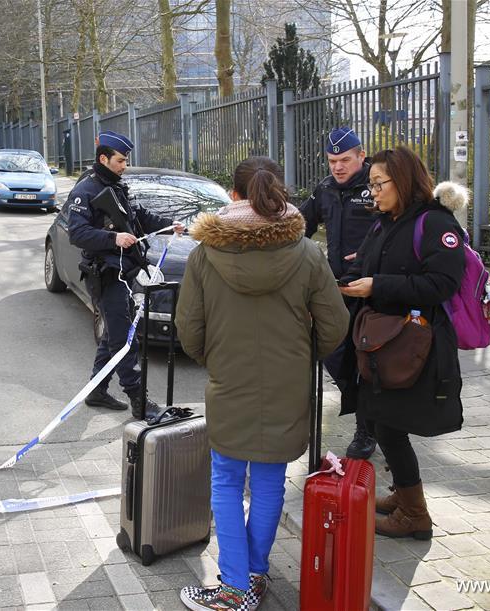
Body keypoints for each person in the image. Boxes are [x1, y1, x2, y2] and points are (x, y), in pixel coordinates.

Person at [176, 157, 349, 610]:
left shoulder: (204, 255)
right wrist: (300, 356)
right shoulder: (308, 254)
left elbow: (188, 329)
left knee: (227, 481)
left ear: (233, 195)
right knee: (270, 481)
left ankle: (234, 587)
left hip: (228, 382)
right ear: (278, 195)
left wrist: (216, 359)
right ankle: (252, 576)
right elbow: (335, 326)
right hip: (287, 385)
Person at [339, 146, 467, 539]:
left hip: (415, 346)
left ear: (404, 180)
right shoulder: (387, 220)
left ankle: (414, 515)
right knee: (382, 421)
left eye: (379, 184)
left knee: (390, 426)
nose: (373, 192)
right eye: (371, 184)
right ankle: (406, 498)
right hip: (384, 343)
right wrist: (356, 273)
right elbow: (376, 264)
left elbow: (443, 283)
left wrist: (378, 283)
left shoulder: (433, 223)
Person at [68, 130, 183, 419]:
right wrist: (113, 239)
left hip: (124, 271)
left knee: (113, 336)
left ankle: (97, 391)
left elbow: (138, 215)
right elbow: (77, 232)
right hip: (106, 276)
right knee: (125, 340)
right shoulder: (85, 190)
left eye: (126, 160)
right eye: (120, 160)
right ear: (103, 158)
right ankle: (139, 402)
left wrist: (171, 225)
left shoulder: (118, 186)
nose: (124, 166)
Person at [299, 127, 379, 460]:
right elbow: (300, 225)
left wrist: (368, 252)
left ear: (361, 155)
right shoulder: (325, 189)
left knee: (368, 361)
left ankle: (367, 428)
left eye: (345, 159)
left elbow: (396, 228)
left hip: (373, 290)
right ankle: (360, 400)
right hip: (336, 289)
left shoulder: (378, 186)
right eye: (332, 161)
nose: (338, 167)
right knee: (332, 352)